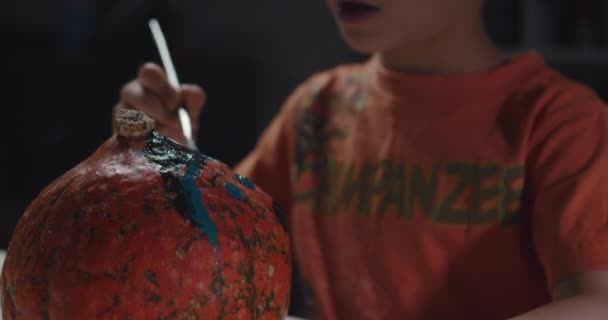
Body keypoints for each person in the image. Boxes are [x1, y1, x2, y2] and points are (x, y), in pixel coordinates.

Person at [117, 0, 608, 319]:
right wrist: (157, 155)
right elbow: (206, 248)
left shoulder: (560, 122)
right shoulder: (317, 109)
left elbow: (596, 302)